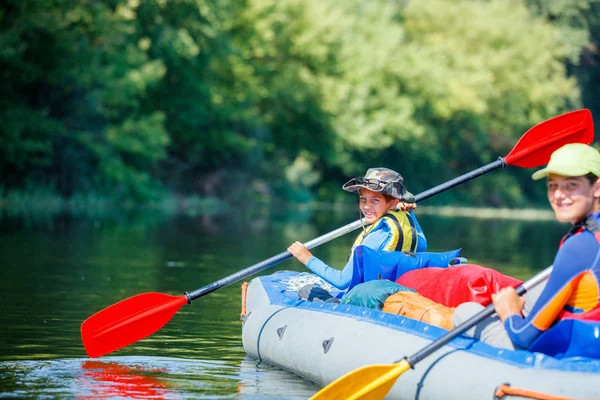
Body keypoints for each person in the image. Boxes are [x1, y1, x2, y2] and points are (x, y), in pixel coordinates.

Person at [452, 143, 600, 351]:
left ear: (597, 188)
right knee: (532, 293)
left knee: (465, 312)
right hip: (587, 334)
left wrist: (509, 312)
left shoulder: (579, 245)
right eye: (553, 185)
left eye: (571, 185)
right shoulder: (590, 234)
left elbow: (524, 337)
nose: (558, 195)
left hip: (579, 351)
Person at [287, 167, 427, 290]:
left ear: (394, 203)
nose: (366, 206)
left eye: (375, 200)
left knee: (307, 292)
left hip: (367, 304)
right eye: (363, 199)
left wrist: (307, 258)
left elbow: (342, 281)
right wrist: (410, 213)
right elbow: (421, 245)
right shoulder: (405, 223)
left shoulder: (377, 236)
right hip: (393, 299)